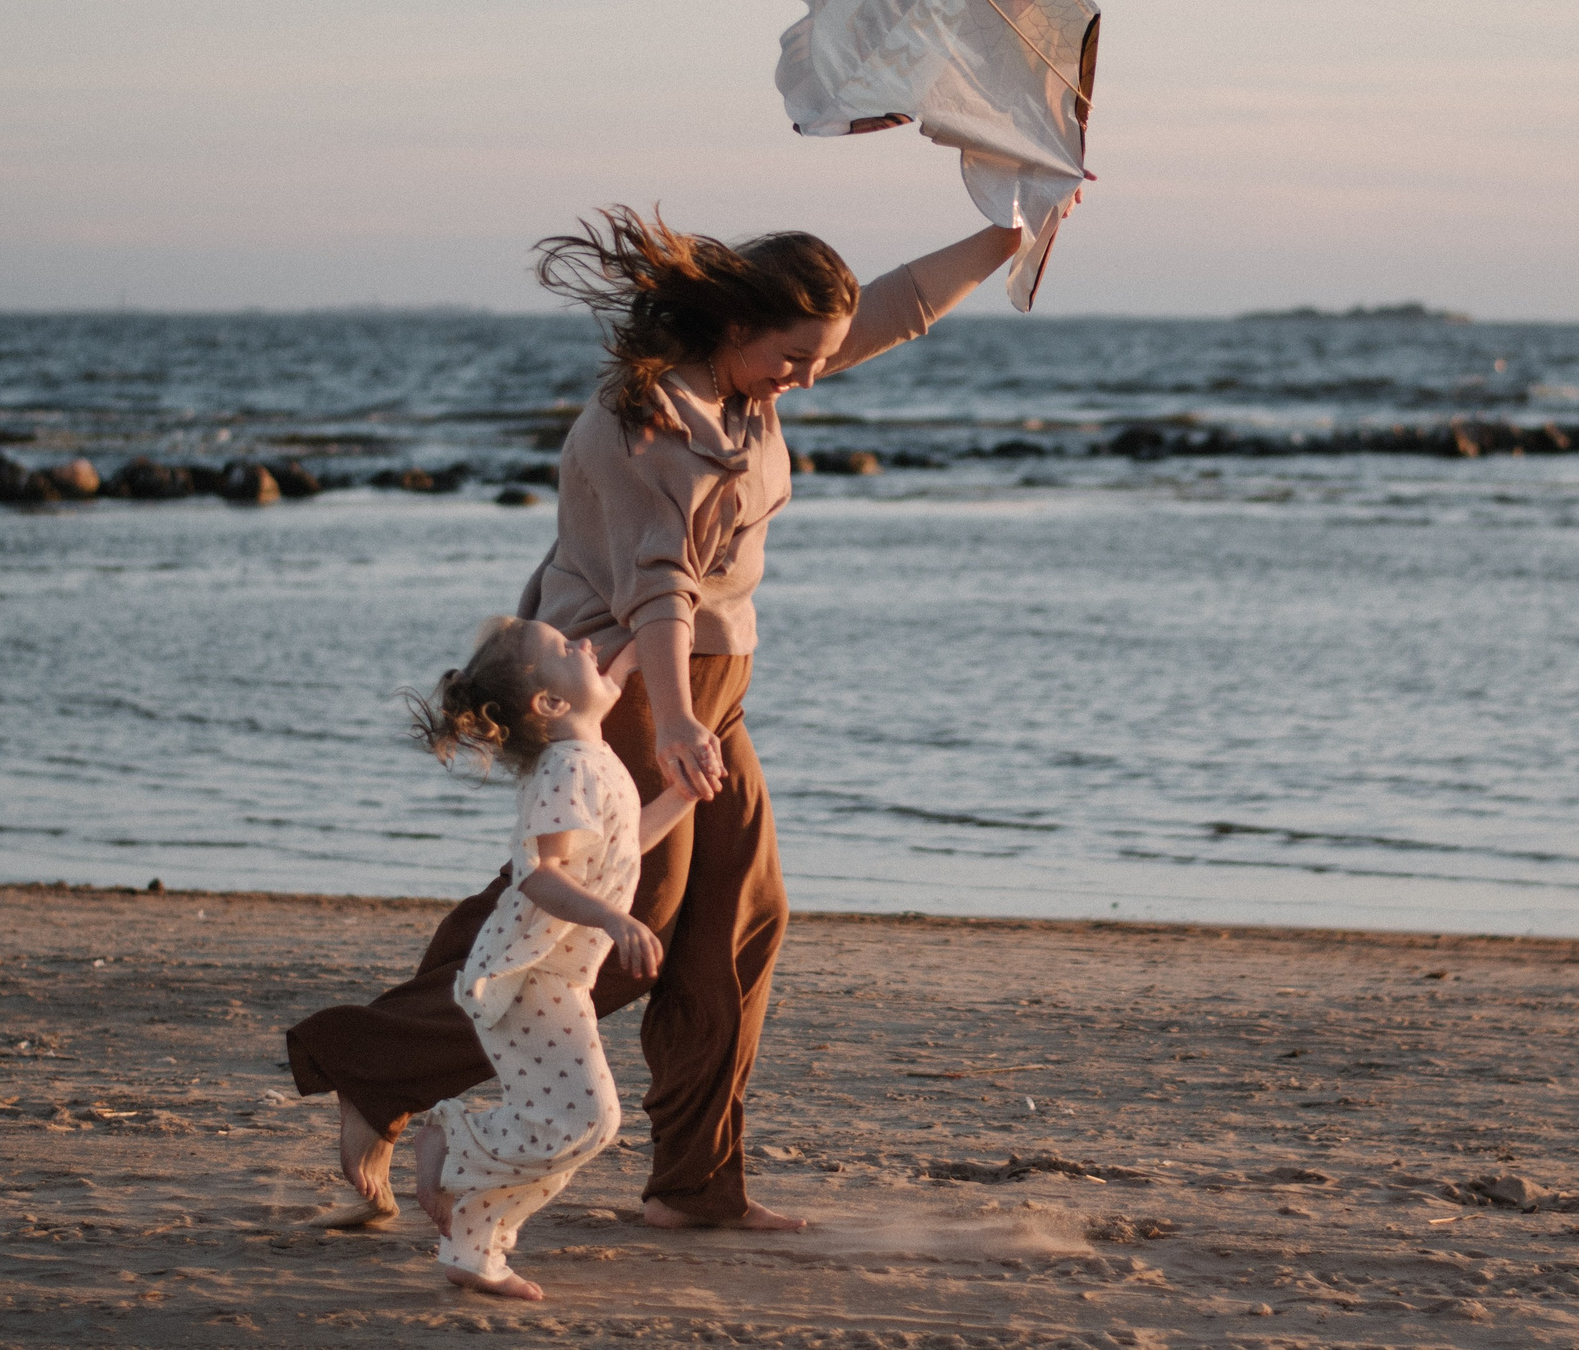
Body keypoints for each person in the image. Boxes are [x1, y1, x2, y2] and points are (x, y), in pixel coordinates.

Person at [287, 205, 1028, 1231]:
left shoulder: (745, 375)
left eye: (818, 358)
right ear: (734, 327)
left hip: (707, 686)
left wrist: (1010, 234)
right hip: (632, 686)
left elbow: (895, 306)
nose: (808, 379)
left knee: (739, 921)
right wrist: (678, 725)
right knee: (615, 925)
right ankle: (375, 1068)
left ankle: (695, 1185)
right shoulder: (655, 421)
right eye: (794, 358)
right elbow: (659, 590)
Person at [401, 615, 696, 1299]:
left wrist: (682, 796)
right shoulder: (564, 768)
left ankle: (476, 1249)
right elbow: (539, 873)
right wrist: (614, 918)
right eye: (568, 647)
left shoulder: (588, 757)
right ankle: (449, 1140)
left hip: (555, 974)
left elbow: (625, 846)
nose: (587, 644)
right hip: (528, 975)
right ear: (550, 705)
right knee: (585, 1119)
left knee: (568, 1123)